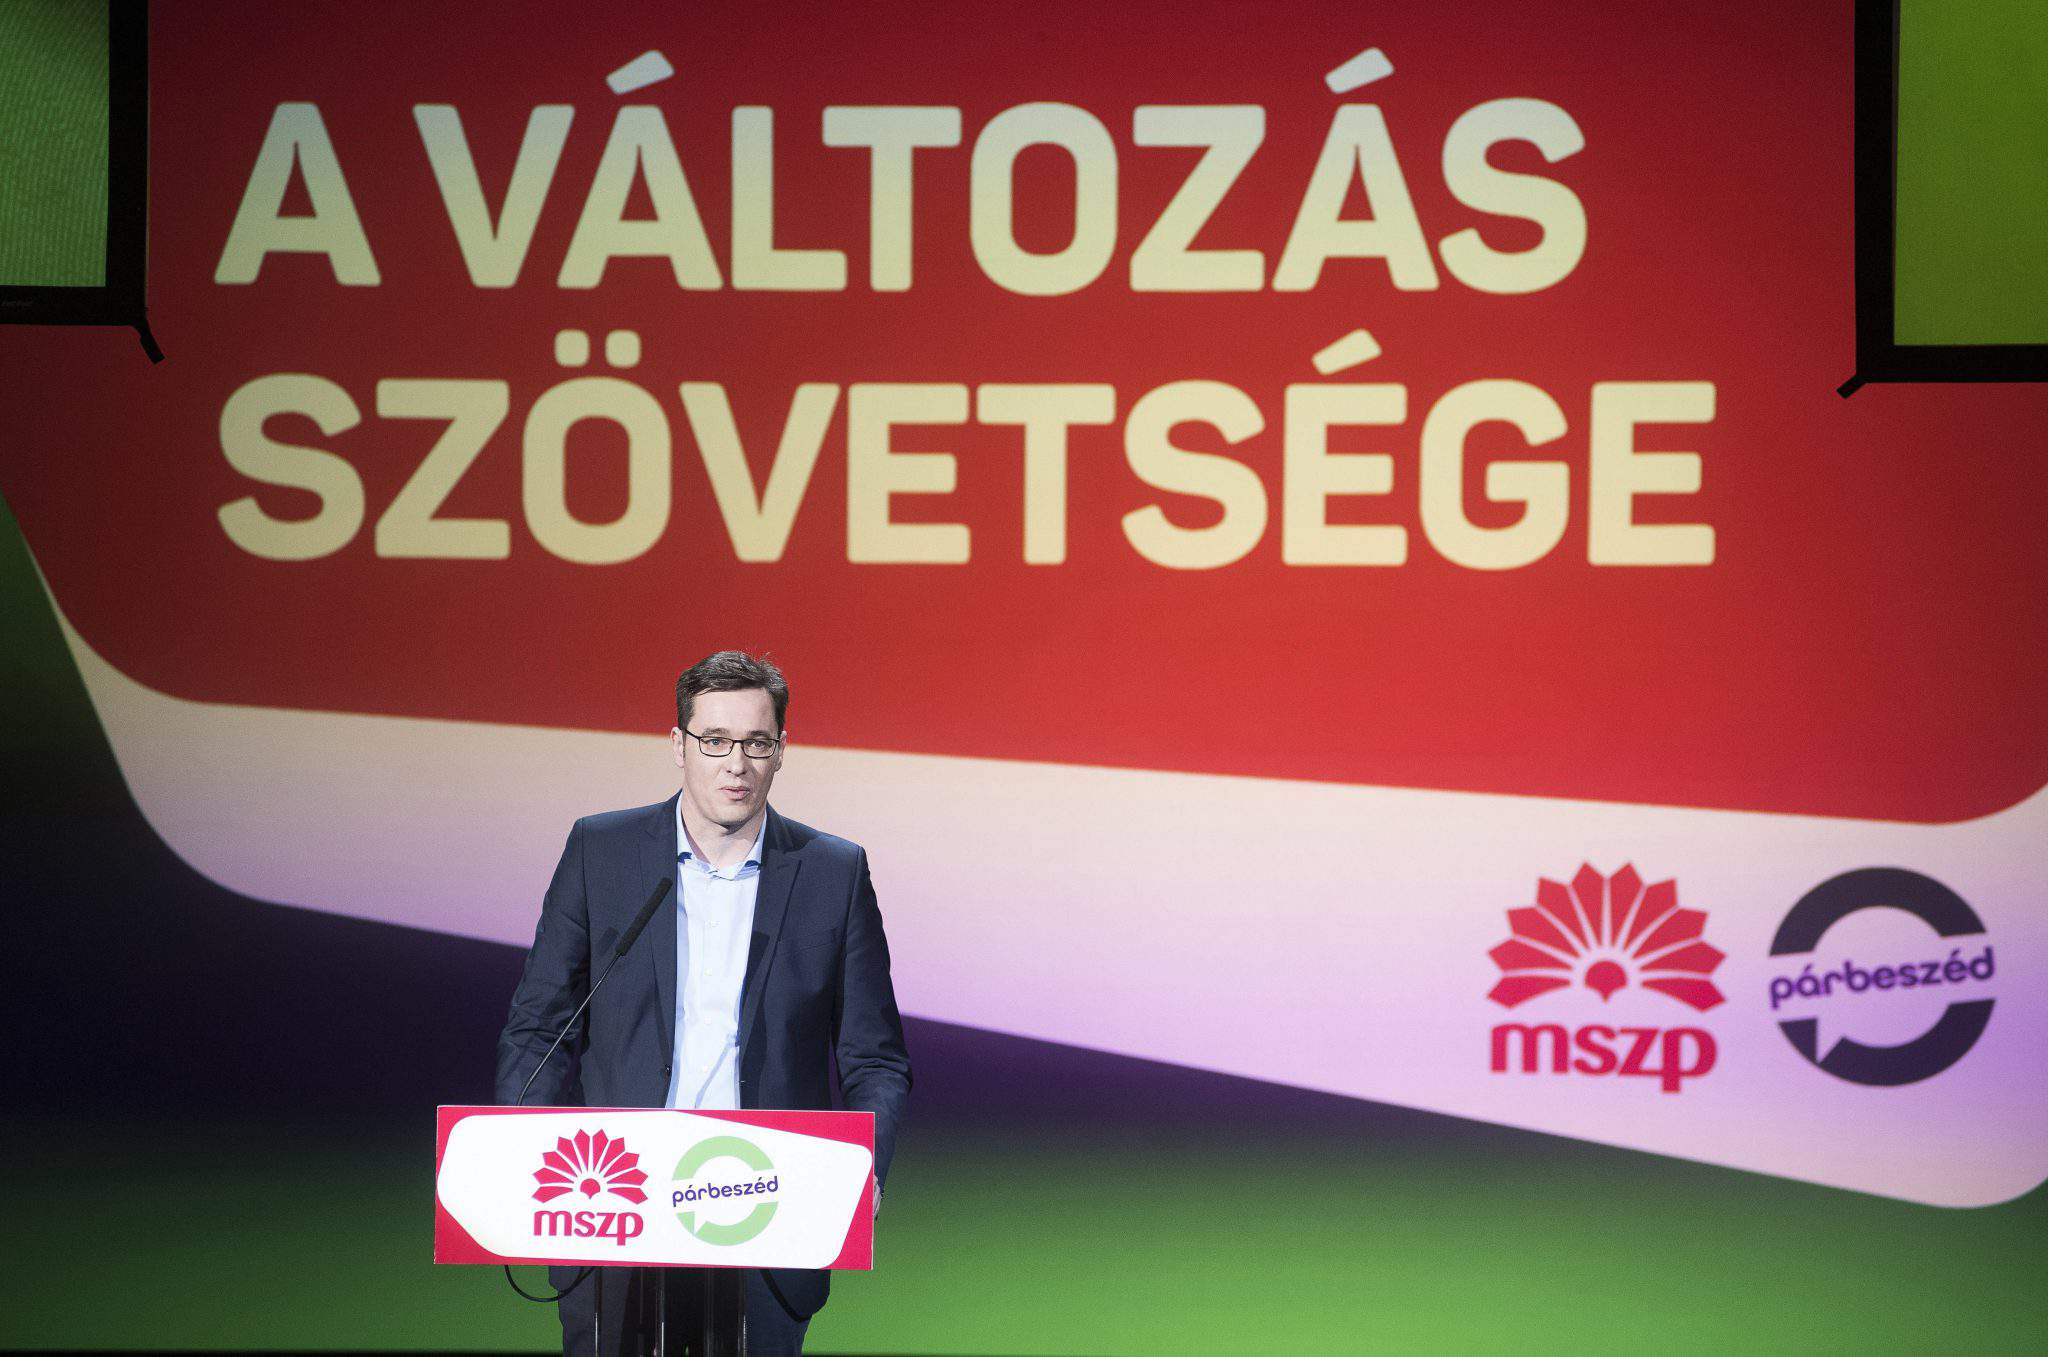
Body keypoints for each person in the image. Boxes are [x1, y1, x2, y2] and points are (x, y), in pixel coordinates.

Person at [496, 650, 911, 1356]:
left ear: (782, 750)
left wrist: (862, 1164)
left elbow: (874, 1058)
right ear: (678, 744)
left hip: (766, 1212)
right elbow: (540, 1028)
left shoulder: (832, 871)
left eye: (757, 742)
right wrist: (522, 1146)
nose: (736, 764)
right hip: (616, 1209)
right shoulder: (601, 851)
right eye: (714, 741)